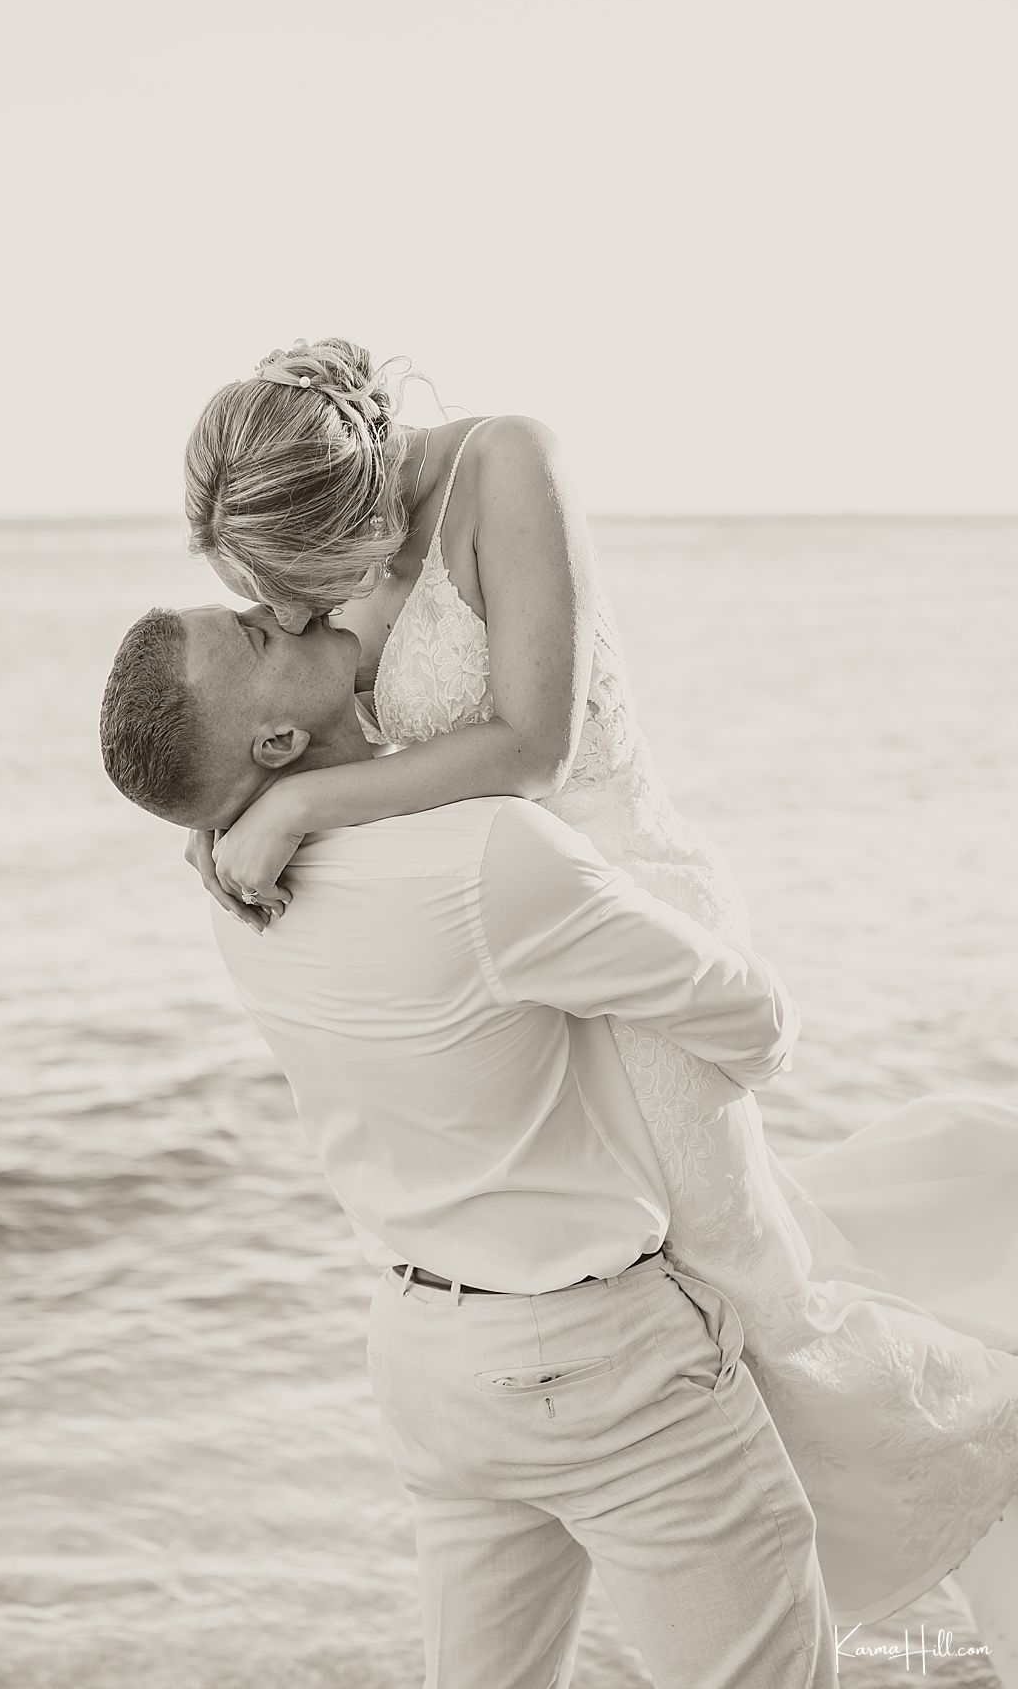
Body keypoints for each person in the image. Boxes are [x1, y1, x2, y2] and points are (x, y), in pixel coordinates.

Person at [173, 337, 1018, 1668]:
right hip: (514, 967)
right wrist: (223, 817)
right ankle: (749, 1568)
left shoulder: (509, 460)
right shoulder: (330, 555)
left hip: (621, 916)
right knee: (649, 1296)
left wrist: (301, 801)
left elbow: (530, 744)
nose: (298, 618)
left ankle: (955, 1479)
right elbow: (298, 722)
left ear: (353, 502)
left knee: (745, 1289)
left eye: (304, 586)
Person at [100, 598, 838, 1689]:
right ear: (273, 744)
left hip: (425, 1361)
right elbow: (760, 1026)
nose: (274, 606)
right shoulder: (489, 856)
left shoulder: (233, 892)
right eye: (253, 637)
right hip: (604, 1368)